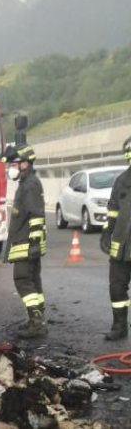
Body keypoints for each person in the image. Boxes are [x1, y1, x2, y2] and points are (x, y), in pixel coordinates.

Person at [3, 145, 48, 339]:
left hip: (27, 243)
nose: (11, 168)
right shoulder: (26, 182)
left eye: (14, 164)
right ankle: (36, 320)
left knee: (23, 280)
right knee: (32, 281)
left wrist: (34, 243)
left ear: (25, 163)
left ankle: (37, 323)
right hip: (27, 242)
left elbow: (36, 216)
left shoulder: (30, 184)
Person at [100, 135, 131, 340]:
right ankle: (119, 327)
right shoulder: (122, 181)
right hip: (121, 247)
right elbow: (112, 209)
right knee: (117, 287)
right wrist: (106, 232)